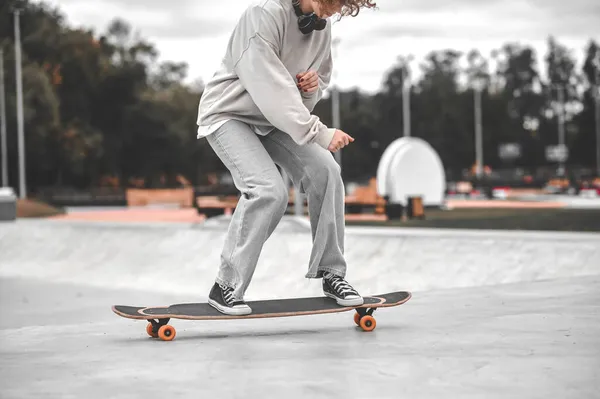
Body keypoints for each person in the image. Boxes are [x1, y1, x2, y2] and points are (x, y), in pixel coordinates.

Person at [196, 0, 376, 315]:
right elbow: (270, 89)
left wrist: (311, 87)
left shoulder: (322, 25)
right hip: (229, 115)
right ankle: (226, 285)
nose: (335, 11)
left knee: (327, 171)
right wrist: (319, 132)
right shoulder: (263, 15)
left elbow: (316, 85)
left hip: (275, 121)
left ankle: (332, 273)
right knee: (269, 190)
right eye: (334, 3)